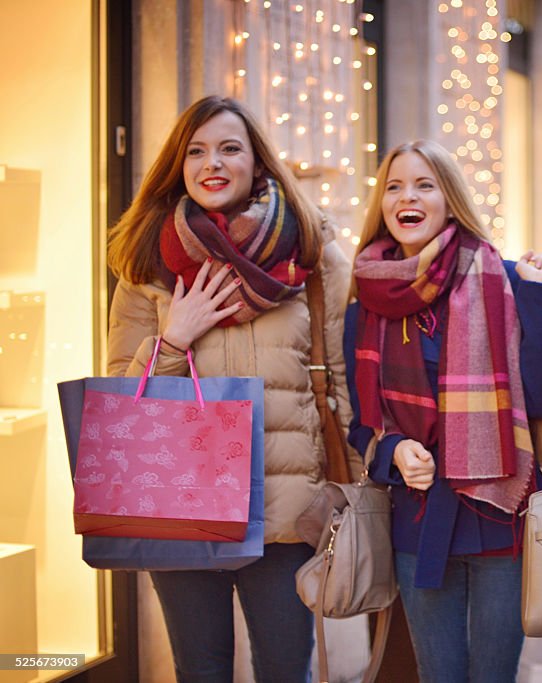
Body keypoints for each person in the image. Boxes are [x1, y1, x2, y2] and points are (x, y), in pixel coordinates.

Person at [106, 95, 353, 682]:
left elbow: (343, 382)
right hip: (181, 504)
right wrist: (172, 341)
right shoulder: (147, 263)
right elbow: (121, 400)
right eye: (196, 151)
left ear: (258, 163)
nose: (211, 163)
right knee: (200, 671)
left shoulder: (313, 256)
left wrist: (351, 486)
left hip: (286, 515)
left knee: (285, 671)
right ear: (179, 166)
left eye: (229, 148)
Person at [343, 139, 542, 683]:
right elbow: (362, 429)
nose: (406, 197)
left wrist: (539, 297)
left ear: (450, 199)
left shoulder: (505, 282)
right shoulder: (365, 307)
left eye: (424, 184)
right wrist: (393, 452)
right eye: (394, 186)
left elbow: (539, 399)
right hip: (418, 524)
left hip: (500, 517)